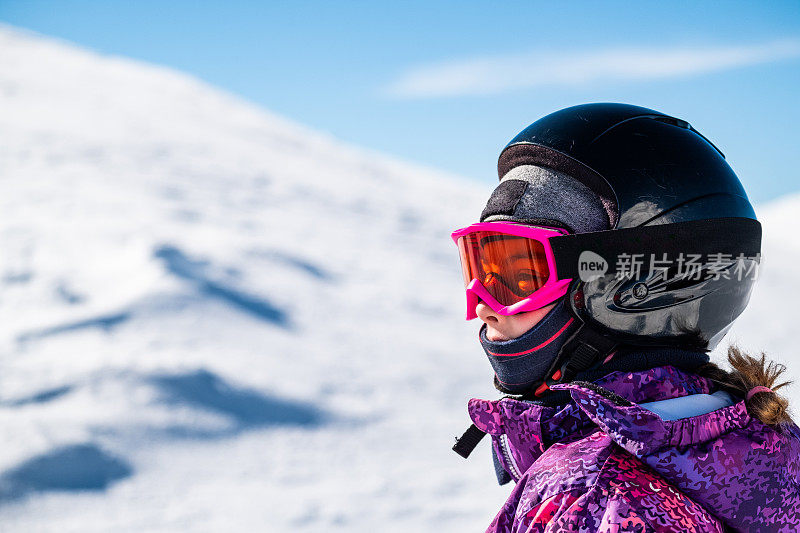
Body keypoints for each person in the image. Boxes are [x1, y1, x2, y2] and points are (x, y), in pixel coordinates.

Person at [450, 103, 800, 532]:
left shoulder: (587, 496)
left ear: (633, 287)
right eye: (479, 267)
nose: (481, 305)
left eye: (519, 276)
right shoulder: (762, 437)